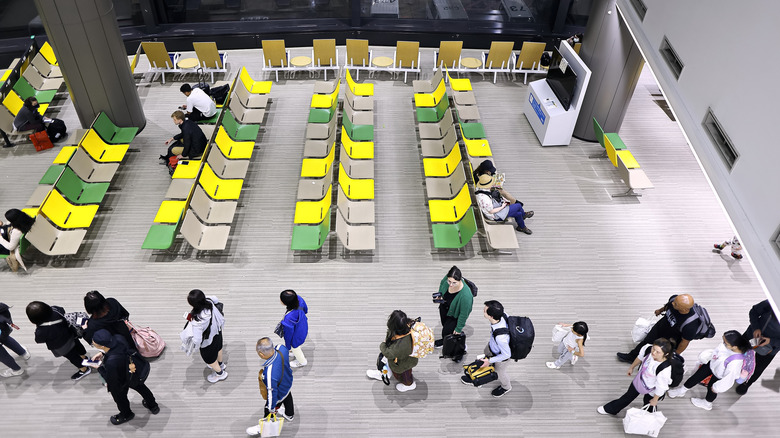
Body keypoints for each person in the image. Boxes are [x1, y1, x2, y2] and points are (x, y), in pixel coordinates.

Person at [89, 329, 159, 425]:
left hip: (122, 380)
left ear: (102, 346)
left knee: (120, 398)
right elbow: (119, 348)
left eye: (94, 343)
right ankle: (153, 405)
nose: (93, 343)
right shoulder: (119, 338)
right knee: (141, 387)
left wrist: (99, 368)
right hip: (133, 372)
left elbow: (111, 380)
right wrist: (103, 353)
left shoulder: (111, 362)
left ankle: (126, 414)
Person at [667, 330, 751, 410]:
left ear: (734, 346)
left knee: (712, 389)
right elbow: (716, 351)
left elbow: (728, 379)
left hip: (719, 375)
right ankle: (682, 390)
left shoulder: (735, 362)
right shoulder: (726, 346)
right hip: (711, 365)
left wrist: (717, 387)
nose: (723, 343)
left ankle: (707, 403)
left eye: (725, 342)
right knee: (696, 377)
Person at [598, 338, 675, 415]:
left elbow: (661, 387)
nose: (654, 352)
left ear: (666, 354)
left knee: (649, 404)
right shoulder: (647, 348)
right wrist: (631, 367)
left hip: (652, 390)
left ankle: (648, 418)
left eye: (658, 352)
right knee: (628, 396)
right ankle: (611, 409)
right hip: (640, 380)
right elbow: (640, 357)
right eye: (653, 348)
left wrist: (655, 400)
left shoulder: (664, 369)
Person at [617, 294, 697, 363]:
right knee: (646, 341)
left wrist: (676, 354)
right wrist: (660, 310)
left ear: (684, 309)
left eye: (676, 304)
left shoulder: (690, 325)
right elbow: (668, 305)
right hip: (659, 327)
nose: (673, 303)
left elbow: (684, 342)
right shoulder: (675, 301)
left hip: (669, 340)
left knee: (660, 353)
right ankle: (632, 357)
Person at [26, 301, 92, 381]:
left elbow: (39, 340)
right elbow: (62, 310)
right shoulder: (55, 310)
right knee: (78, 347)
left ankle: (84, 369)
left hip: (62, 346)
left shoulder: (41, 331)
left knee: (73, 357)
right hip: (71, 335)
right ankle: (84, 357)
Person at [460, 300, 513, 398]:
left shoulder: (501, 338)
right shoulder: (503, 315)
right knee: (484, 360)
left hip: (501, 358)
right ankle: (480, 377)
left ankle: (506, 387)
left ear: (491, 316)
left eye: (485, 311)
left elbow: (507, 355)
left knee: (500, 373)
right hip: (492, 348)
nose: (483, 311)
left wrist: (490, 360)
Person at [246, 337, 294, 435]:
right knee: (287, 395)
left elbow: (272, 392)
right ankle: (289, 414)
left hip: (279, 391)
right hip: (288, 381)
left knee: (270, 407)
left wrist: (271, 408)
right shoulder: (282, 348)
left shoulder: (269, 374)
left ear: (261, 354)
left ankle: (265, 426)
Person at [366, 310, 419, 392]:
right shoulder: (407, 326)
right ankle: (384, 373)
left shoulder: (401, 345)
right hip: (398, 358)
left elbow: (388, 353)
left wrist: (383, 344)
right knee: (386, 364)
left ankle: (409, 384)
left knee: (405, 375)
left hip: (404, 363)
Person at [736, 300, 780, 395]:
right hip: (753, 335)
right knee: (736, 352)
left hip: (770, 347)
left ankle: (746, 383)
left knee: (758, 368)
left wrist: (770, 341)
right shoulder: (774, 300)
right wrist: (756, 328)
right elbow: (754, 311)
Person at [433, 265, 474, 362]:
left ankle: (461, 348)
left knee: (450, 331)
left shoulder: (466, 296)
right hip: (444, 308)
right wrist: (440, 295)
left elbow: (464, 314)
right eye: (449, 281)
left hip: (454, 315)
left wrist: (459, 328)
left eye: (454, 283)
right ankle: (445, 341)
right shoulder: (447, 279)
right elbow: (442, 284)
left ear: (460, 280)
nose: (450, 285)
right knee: (445, 327)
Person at [186, 289, 226, 383]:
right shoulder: (209, 301)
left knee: (209, 359)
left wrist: (194, 345)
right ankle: (220, 364)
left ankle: (220, 373)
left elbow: (197, 339)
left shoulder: (197, 320)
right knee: (218, 348)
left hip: (207, 341)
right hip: (217, 331)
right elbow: (216, 298)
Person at [279, 289, 309, 368]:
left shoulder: (288, 318)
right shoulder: (299, 299)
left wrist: (288, 346)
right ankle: (292, 351)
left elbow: (288, 335)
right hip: (303, 326)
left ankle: (302, 361)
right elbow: (305, 310)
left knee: (295, 347)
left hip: (296, 335)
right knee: (295, 346)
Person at [0, 303, 30, 377]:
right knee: (6, 338)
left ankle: (17, 370)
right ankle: (24, 353)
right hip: (3, 330)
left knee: (1, 353)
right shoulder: (2, 308)